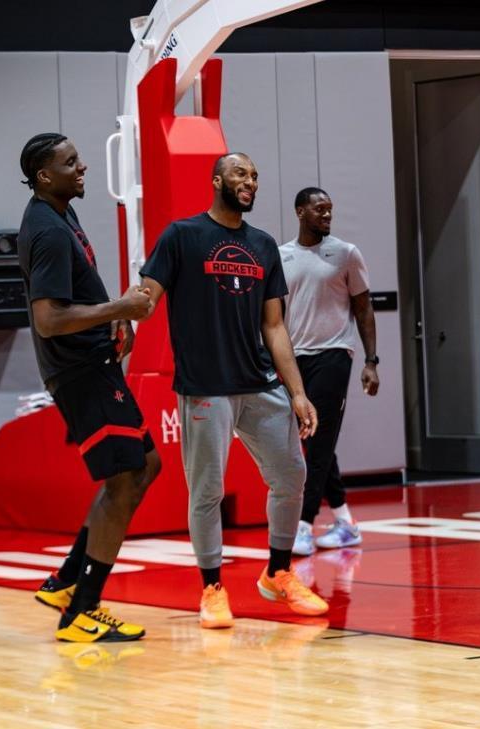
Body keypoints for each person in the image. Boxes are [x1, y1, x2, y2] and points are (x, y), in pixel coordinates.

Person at [140, 153, 329, 629]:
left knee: (291, 476)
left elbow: (275, 326)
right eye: (241, 173)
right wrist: (120, 317)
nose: (251, 181)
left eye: (255, 176)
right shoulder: (181, 236)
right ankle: (212, 588)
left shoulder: (262, 245)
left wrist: (297, 391)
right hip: (205, 385)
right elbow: (147, 296)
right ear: (217, 180)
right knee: (208, 490)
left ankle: (278, 574)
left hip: (260, 383)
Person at [17, 132, 161, 642]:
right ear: (44, 176)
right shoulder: (47, 231)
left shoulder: (61, 212)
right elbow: (49, 319)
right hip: (79, 372)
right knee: (124, 480)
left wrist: (111, 320)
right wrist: (121, 307)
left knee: (146, 464)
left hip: (95, 363)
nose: (83, 168)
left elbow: (75, 296)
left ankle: (65, 581)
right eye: (71, 162)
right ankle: (82, 611)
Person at [280, 187, 379, 556]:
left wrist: (371, 361)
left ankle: (304, 526)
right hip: (295, 360)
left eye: (330, 209)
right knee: (314, 441)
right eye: (319, 209)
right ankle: (344, 521)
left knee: (319, 440)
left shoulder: (346, 254)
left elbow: (364, 308)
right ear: (300, 212)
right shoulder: (282, 256)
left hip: (334, 355)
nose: (326, 215)